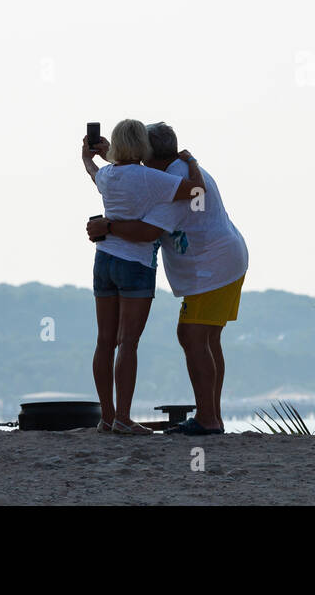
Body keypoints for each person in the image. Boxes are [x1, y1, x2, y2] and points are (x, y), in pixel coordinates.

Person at [86, 122, 247, 436]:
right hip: (223, 260)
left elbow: (148, 232)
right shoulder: (174, 171)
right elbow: (137, 178)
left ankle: (207, 420)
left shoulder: (173, 182)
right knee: (207, 340)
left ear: (149, 156)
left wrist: (107, 227)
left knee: (192, 337)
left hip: (212, 267)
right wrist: (112, 156)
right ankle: (211, 416)